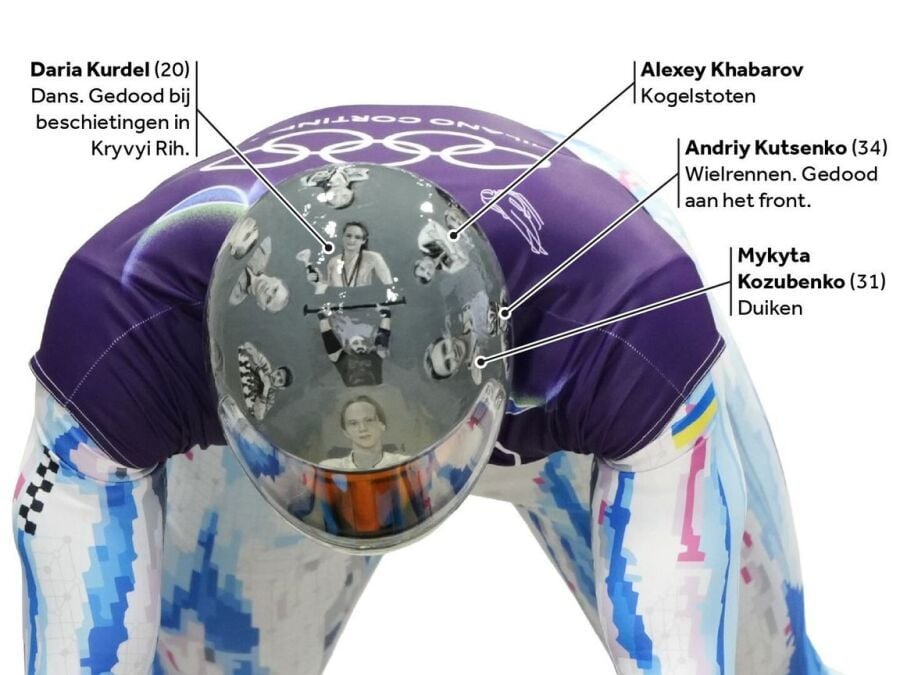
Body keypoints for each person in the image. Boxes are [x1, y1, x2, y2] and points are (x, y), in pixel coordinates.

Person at [14, 105, 835, 674]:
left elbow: (681, 639)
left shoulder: (626, 310)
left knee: (763, 661)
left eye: (396, 461)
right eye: (336, 464)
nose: (369, 496)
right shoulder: (125, 319)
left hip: (571, 326)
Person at [319, 396, 406, 471]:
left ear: (382, 425)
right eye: (353, 423)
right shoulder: (330, 468)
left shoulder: (403, 464)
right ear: (345, 432)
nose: (362, 428)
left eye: (369, 420)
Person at [318, 304, 391, 387]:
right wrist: (323, 318)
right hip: (353, 392)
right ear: (349, 347)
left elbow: (383, 336)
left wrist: (386, 315)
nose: (360, 345)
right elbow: (329, 339)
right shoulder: (341, 359)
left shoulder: (375, 356)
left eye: (363, 343)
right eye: (355, 343)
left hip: (375, 391)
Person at [325, 221, 393, 289]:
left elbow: (389, 285)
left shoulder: (374, 258)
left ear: (363, 241)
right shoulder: (333, 262)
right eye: (348, 236)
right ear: (343, 237)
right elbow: (330, 291)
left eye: (357, 237)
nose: (351, 240)